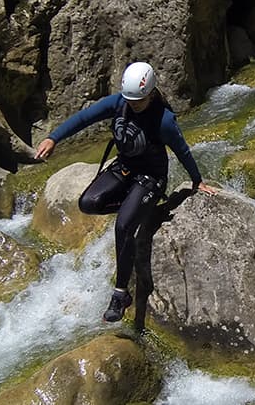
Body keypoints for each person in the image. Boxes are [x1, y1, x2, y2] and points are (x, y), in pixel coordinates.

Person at [34, 62, 218, 322]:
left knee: (123, 227)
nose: (134, 105)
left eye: (139, 101)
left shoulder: (163, 120)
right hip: (125, 168)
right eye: (131, 100)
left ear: (151, 94)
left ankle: (120, 294)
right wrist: (53, 137)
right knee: (88, 203)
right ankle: (137, 207)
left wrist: (197, 181)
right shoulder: (119, 102)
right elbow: (83, 118)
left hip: (151, 178)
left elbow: (183, 150)